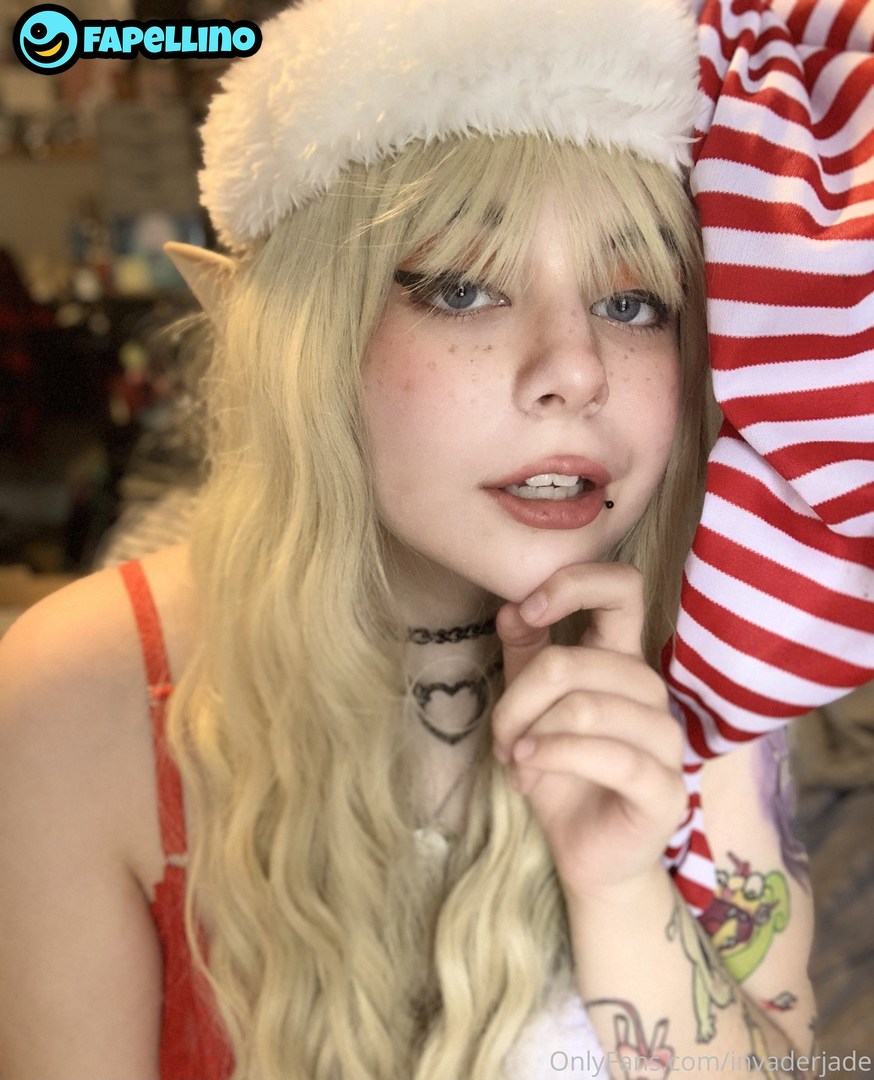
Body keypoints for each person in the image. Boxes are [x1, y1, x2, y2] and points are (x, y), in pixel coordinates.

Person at [7, 0, 869, 1074]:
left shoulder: (709, 658)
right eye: (464, 288)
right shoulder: (89, 689)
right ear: (307, 335)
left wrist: (619, 890)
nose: (575, 371)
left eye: (636, 303)